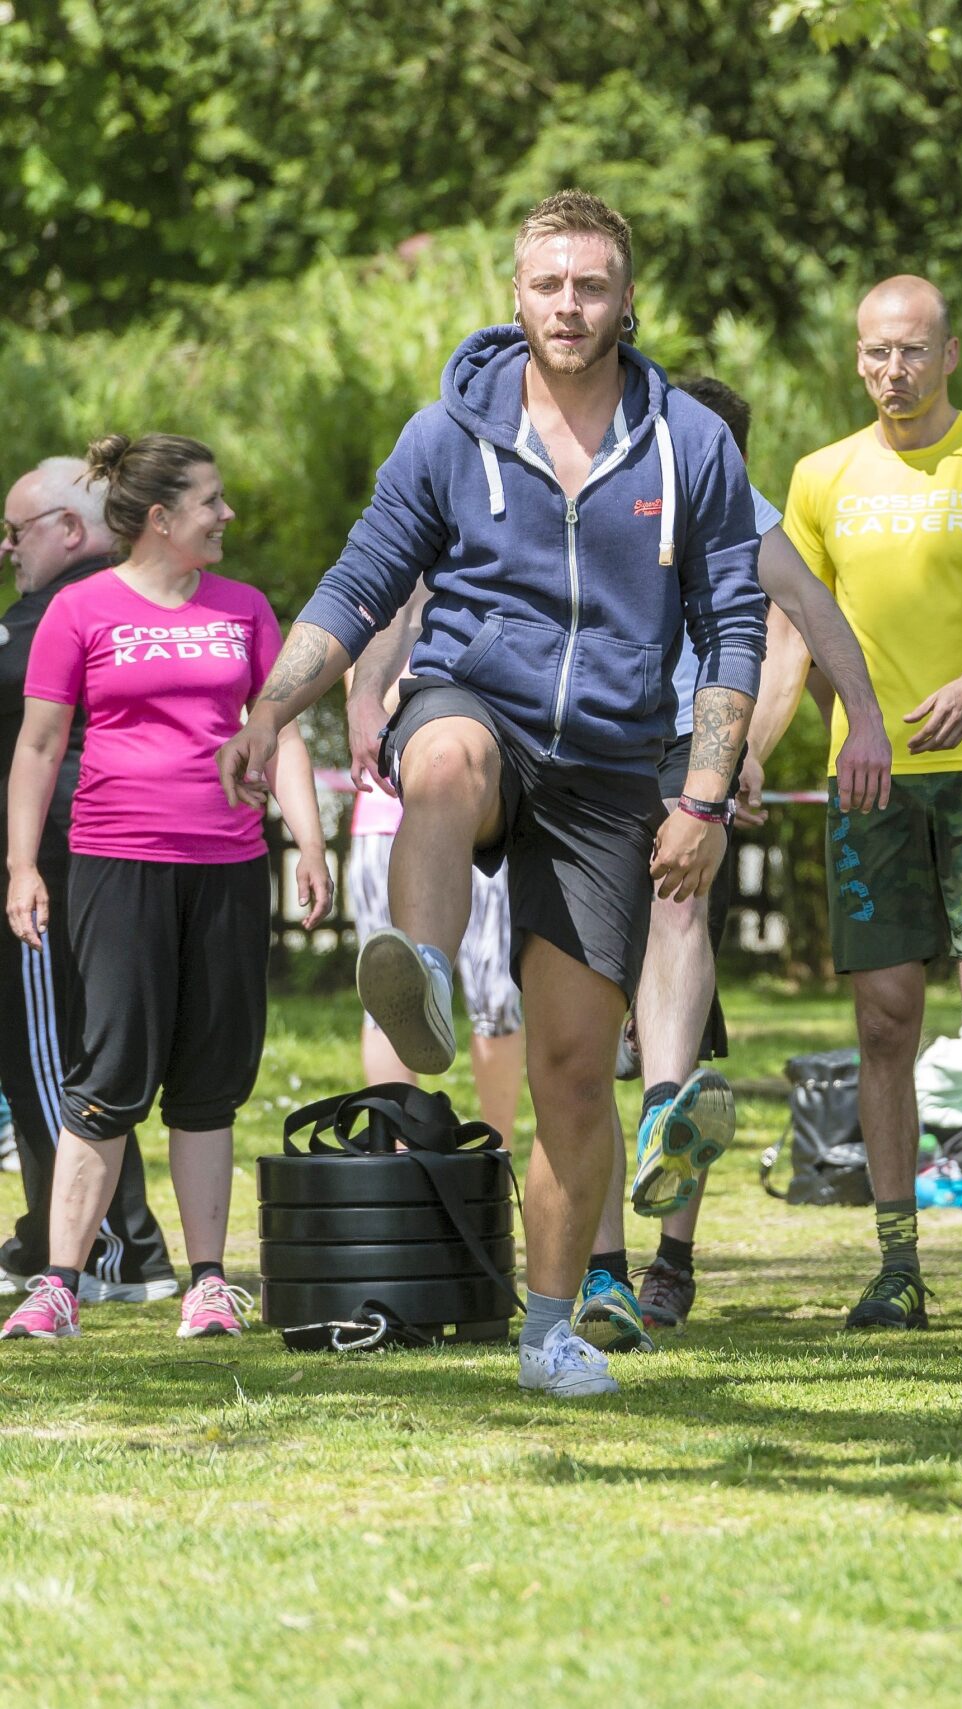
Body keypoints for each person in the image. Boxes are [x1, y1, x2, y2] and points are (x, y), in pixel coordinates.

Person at [217, 191, 769, 1398]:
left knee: (573, 1070)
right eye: (548, 283)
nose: (568, 305)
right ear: (512, 296)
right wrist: (272, 703)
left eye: (591, 285)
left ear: (628, 299)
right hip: (478, 695)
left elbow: (734, 625)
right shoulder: (447, 435)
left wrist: (708, 797)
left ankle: (553, 1325)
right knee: (447, 756)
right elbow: (364, 578)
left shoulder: (690, 444)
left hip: (615, 764)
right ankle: (415, 971)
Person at [576, 373, 892, 1345]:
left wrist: (756, 746)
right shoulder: (588, 482)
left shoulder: (741, 509)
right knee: (583, 1020)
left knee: (675, 933)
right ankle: (608, 1270)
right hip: (589, 750)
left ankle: (666, 1239)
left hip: (688, 741)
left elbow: (797, 627)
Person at [782, 275, 962, 1334]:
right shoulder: (819, 476)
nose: (890, 371)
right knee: (883, 1017)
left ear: (950, 353)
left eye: (910, 351)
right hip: (871, 776)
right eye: (872, 353)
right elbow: (797, 627)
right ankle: (896, 1265)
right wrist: (765, 748)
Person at [1, 435, 329, 1343]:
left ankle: (210, 1282)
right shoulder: (80, 610)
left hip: (226, 868)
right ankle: (59, 1281)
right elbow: (37, 748)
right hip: (115, 865)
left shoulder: (247, 608)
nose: (226, 516)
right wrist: (23, 865)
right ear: (160, 517)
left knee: (207, 1085)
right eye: (211, 501)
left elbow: (284, 735)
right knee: (107, 1075)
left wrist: (306, 840)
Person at [0, 457, 176, 1304]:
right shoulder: (122, 602)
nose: (7, 549)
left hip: (63, 864)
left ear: (71, 530)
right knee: (73, 1051)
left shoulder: (63, 613)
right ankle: (53, 1232)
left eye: (17, 530)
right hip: (94, 860)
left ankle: (115, 1247)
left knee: (51, 1057)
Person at [342, 711, 525, 1138]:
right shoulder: (378, 641)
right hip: (383, 824)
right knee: (389, 998)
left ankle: (496, 1152)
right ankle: (402, 1162)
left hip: (480, 823)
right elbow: (373, 709)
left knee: (496, 1001)